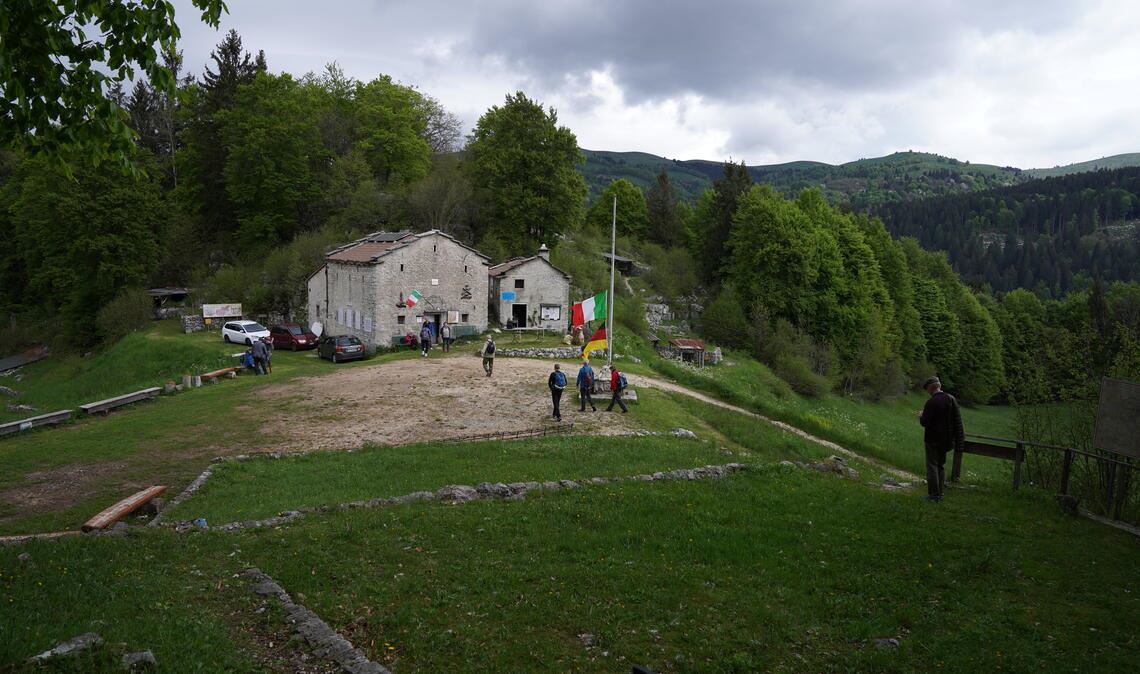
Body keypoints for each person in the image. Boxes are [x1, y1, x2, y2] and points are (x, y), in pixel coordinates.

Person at [918, 376, 965, 502]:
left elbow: (924, 422)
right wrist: (959, 442)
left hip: (932, 439)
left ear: (930, 388)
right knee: (941, 465)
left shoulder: (931, 402)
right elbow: (958, 422)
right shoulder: (951, 399)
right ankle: (940, 493)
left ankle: (934, 495)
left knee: (932, 466)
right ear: (939, 386)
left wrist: (921, 415)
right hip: (947, 440)